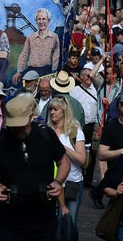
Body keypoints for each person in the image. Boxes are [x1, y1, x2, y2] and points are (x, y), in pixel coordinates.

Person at [0, 95, 69, 241]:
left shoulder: (46, 135)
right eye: (14, 127)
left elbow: (64, 162)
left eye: (22, 126)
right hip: (11, 220)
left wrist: (58, 182)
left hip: (43, 219)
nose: (18, 130)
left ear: (31, 117)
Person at [47, 96, 86, 229]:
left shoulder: (75, 132)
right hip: (51, 183)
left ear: (64, 111)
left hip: (72, 182)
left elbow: (81, 160)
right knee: (53, 223)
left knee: (70, 222)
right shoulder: (47, 131)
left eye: (56, 109)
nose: (52, 112)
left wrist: (63, 148)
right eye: (50, 109)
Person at [12, 8, 60, 85]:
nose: (41, 22)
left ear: (48, 20)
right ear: (36, 21)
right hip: (31, 69)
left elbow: (56, 56)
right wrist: (19, 71)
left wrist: (53, 72)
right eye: (39, 19)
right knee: (22, 83)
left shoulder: (54, 37)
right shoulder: (31, 37)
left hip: (46, 70)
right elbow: (24, 54)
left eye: (44, 19)